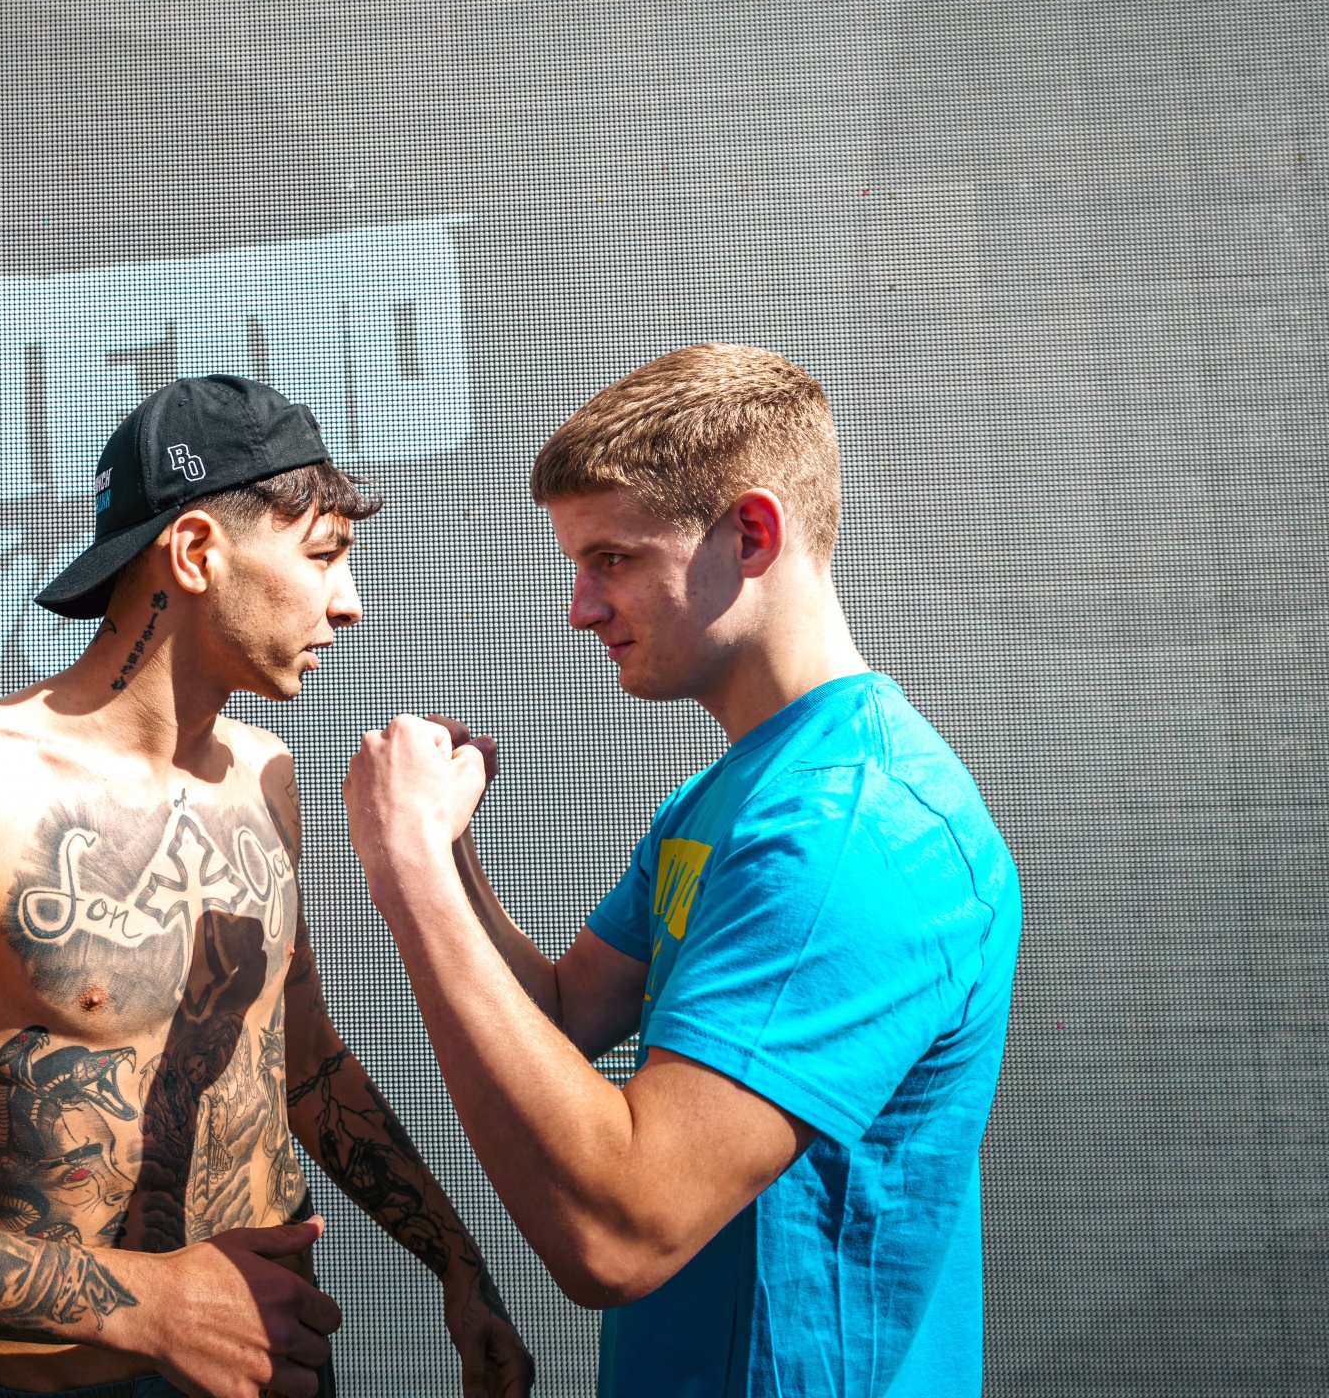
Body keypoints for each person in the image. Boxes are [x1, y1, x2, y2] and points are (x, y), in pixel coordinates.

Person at [0, 375, 534, 1398]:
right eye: (323, 555)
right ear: (197, 551)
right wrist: (156, 1306)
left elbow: (303, 1067)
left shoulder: (265, 774)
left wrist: (458, 1267)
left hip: (279, 1366)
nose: (348, 602)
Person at [342, 344, 1022, 1396]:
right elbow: (560, 1019)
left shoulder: (853, 835)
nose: (580, 607)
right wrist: (446, 851)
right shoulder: (735, 796)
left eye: (612, 559)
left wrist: (411, 874)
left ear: (751, 535)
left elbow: (621, 1234)